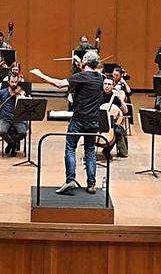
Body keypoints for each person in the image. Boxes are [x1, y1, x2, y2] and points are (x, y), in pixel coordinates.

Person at [31, 51, 108, 195]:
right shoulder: (99, 78)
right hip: (94, 121)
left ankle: (70, 180)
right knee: (90, 151)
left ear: (85, 62)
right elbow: (87, 74)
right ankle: (91, 184)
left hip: (79, 120)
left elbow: (60, 84)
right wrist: (82, 64)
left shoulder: (80, 76)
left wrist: (40, 74)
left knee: (70, 148)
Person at [0, 75, 28, 157]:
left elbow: (24, 105)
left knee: (23, 132)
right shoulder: (2, 92)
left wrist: (19, 96)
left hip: (18, 118)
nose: (14, 84)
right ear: (8, 82)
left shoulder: (21, 92)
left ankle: (10, 144)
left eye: (16, 82)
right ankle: (12, 144)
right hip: (5, 118)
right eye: (12, 82)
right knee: (2, 131)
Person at [100, 77, 129, 160]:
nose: (107, 86)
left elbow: (126, 110)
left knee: (118, 131)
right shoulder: (98, 95)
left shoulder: (115, 97)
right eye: (105, 84)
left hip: (111, 122)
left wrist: (120, 98)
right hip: (99, 120)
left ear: (113, 86)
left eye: (109, 84)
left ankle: (106, 150)